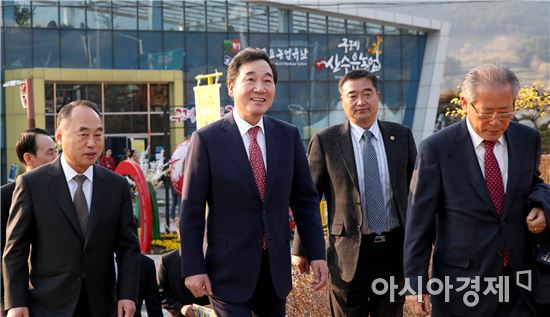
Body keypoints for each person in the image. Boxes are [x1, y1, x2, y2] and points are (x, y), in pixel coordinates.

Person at [179, 47, 328, 317]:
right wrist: (193, 267)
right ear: (231, 87)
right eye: (251, 79)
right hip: (226, 271)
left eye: (268, 80)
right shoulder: (208, 140)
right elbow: (191, 211)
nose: (260, 87)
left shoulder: (288, 136)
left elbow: (305, 200)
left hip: (275, 270)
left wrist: (317, 253)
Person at [404, 64, 547, 317]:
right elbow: (418, 222)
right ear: (465, 103)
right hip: (461, 285)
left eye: (505, 112)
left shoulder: (527, 139)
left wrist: (542, 206)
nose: (495, 122)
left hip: (519, 281)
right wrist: (415, 283)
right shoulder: (436, 149)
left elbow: (533, 184)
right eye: (486, 112)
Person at [291, 69, 417, 316]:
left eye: (367, 93)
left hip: (393, 250)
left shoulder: (400, 136)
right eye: (352, 95)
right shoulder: (325, 141)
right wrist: (300, 248)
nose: (361, 101)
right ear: (342, 102)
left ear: (377, 96)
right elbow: (308, 198)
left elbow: (418, 194)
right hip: (346, 254)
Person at [3, 100, 141, 317]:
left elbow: (129, 248)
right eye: (83, 134)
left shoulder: (116, 186)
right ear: (59, 136)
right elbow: (15, 250)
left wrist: (127, 294)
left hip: (102, 305)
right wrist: (15, 302)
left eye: (98, 135)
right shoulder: (32, 185)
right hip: (48, 305)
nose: (92, 143)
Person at [1, 128, 57, 317]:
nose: (56, 158)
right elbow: (5, 251)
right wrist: (6, 300)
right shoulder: (5, 197)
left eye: (56, 151)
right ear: (29, 158)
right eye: (50, 152)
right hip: (19, 298)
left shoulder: (62, 192)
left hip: (56, 297)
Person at [157, 249, 210, 317]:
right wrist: (181, 307)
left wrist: (215, 305)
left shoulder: (213, 257)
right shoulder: (167, 259)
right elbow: (161, 294)